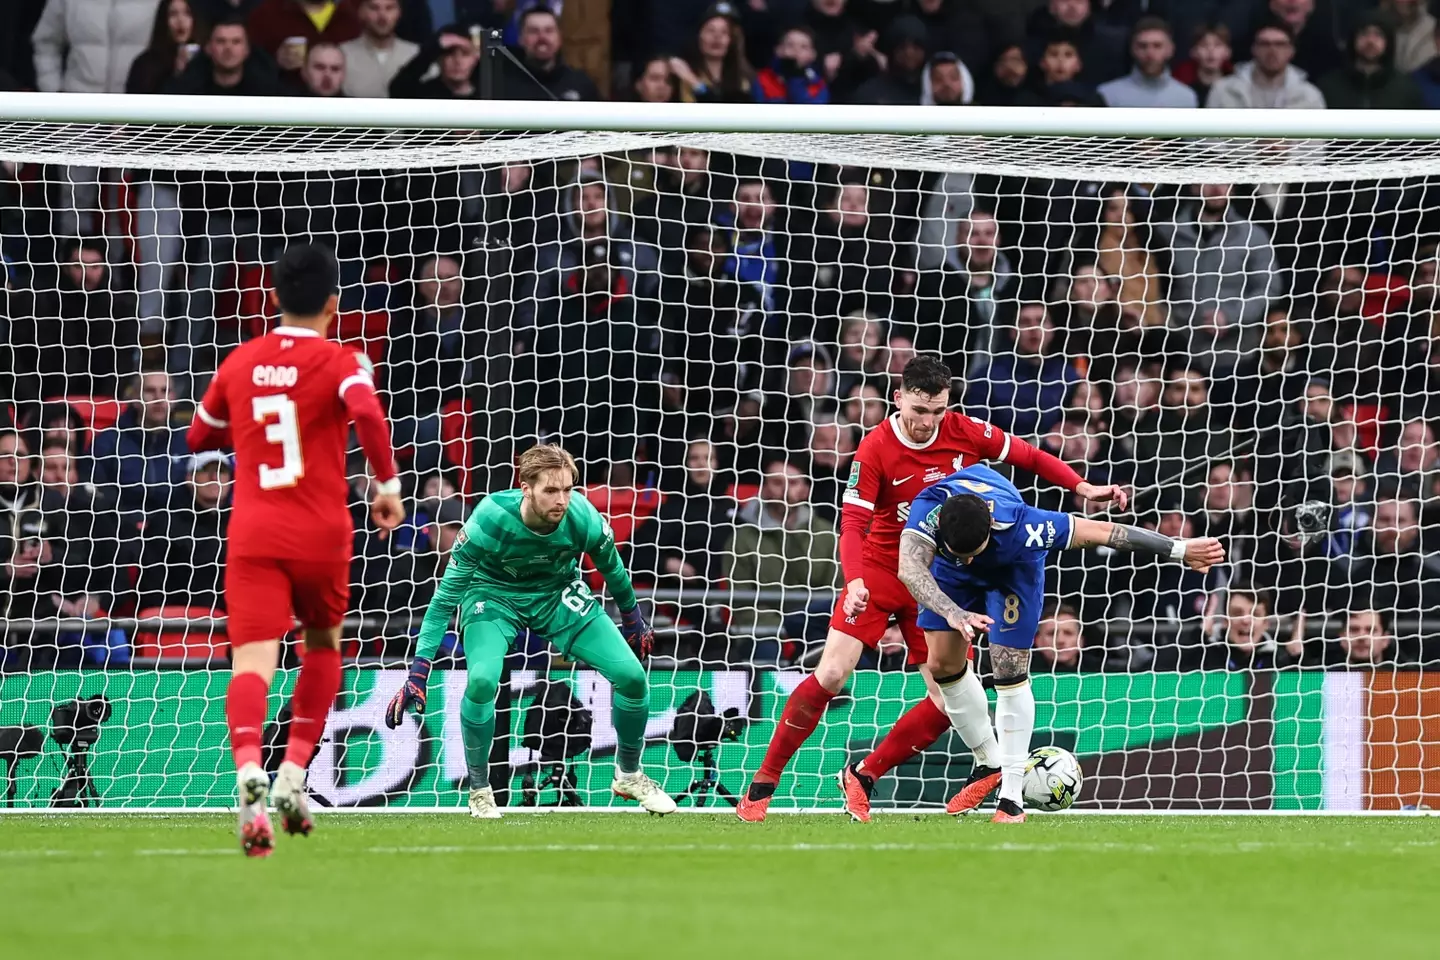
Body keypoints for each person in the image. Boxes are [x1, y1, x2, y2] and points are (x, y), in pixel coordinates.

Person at [736, 356, 1127, 823]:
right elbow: (853, 522)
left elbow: (1027, 454)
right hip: (883, 570)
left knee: (950, 697)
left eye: (937, 412)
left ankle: (864, 775)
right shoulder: (875, 449)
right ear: (899, 399)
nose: (928, 423)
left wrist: (1080, 486)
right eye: (920, 410)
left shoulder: (965, 430)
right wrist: (855, 579)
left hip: (943, 578)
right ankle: (762, 786)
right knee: (833, 673)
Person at [187, 243, 404, 857]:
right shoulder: (344, 361)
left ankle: (248, 769)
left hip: (256, 532)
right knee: (320, 647)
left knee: (252, 662)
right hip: (322, 534)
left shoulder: (241, 361)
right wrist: (386, 487)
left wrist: (245, 418)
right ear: (334, 304)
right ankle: (293, 771)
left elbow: (200, 434)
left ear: (273, 298)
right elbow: (367, 410)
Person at [897, 463, 1223, 822]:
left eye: (974, 551)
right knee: (942, 665)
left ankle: (1010, 798)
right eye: (962, 553)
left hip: (1012, 569)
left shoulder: (1026, 525)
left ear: (990, 528)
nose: (970, 558)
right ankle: (990, 760)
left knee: (1008, 669)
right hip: (951, 575)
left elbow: (1104, 531)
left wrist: (1179, 550)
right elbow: (909, 569)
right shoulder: (928, 509)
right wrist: (953, 612)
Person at [383, 444, 676, 819]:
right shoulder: (489, 518)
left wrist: (634, 619)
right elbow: (443, 602)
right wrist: (418, 671)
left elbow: (614, 569)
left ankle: (630, 775)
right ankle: (479, 790)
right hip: (492, 594)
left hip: (556, 593)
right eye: (550, 491)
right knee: (483, 682)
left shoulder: (582, 516)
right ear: (526, 488)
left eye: (568, 489)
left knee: (633, 678)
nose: (562, 500)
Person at [91, 371, 190, 513]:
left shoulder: (186, 441)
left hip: (173, 528)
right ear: (135, 398)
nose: (158, 398)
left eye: (165, 391)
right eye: (150, 391)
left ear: (173, 399)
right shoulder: (109, 441)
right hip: (120, 526)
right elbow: (95, 491)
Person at [1205, 18, 1324, 109]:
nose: (1272, 51)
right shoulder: (1223, 90)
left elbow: (1316, 141)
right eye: (1265, 44)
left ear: (1291, 51)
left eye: (1280, 44)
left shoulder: (1309, 95)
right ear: (1254, 49)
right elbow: (1208, 139)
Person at [1315, 12, 1423, 110]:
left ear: (1389, 42)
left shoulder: (1406, 91)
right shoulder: (1328, 88)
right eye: (1364, 33)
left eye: (1378, 34)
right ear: (1353, 39)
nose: (1370, 41)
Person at [245, 0, 360, 91]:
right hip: (286, 103)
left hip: (342, 105)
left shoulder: (350, 15)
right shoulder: (267, 13)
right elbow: (248, 64)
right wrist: (274, 60)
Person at [1099, 17, 1198, 108]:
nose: (1150, 53)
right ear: (1132, 50)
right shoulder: (1108, 95)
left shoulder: (1186, 98)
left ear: (1170, 50)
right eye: (1143, 46)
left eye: (1157, 46)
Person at [670, 2, 753, 103]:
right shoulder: (681, 74)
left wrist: (695, 84)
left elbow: (724, 112)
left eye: (724, 32)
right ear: (699, 36)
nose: (717, 37)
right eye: (710, 30)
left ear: (731, 40)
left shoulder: (743, 80)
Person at [511, 6, 599, 101]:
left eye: (549, 31)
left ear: (559, 38)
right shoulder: (504, 84)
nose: (542, 37)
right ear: (521, 39)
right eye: (533, 31)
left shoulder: (580, 83)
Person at [125, 0, 211, 94]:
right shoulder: (144, 64)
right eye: (173, 14)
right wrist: (177, 74)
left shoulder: (207, 60)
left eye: (187, 13)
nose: (180, 20)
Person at [339, 0, 417, 98]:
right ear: (361, 12)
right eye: (374, 8)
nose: (382, 16)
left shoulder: (417, 55)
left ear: (399, 13)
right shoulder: (341, 56)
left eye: (389, 8)